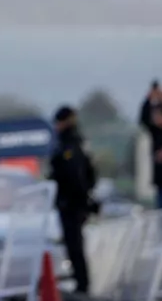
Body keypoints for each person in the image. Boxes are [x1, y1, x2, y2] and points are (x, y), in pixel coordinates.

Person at [49, 106, 97, 296]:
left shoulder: (70, 145)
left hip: (71, 203)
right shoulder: (75, 142)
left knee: (75, 244)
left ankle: (82, 284)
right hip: (71, 202)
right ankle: (80, 281)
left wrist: (78, 199)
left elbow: (77, 176)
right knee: (73, 244)